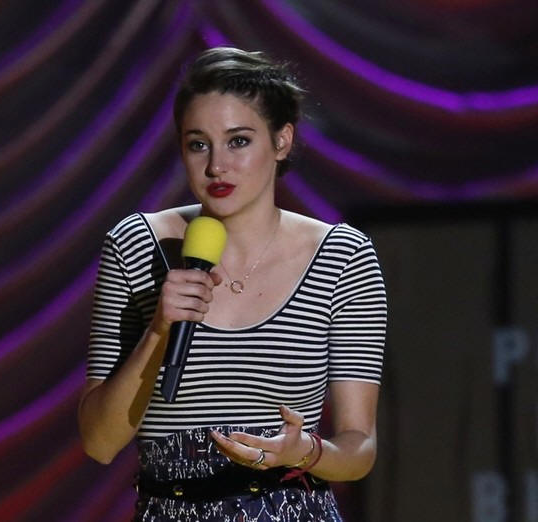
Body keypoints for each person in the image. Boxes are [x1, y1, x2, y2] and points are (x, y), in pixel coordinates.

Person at [78, 47, 387, 522]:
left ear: (281, 141)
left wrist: (303, 452)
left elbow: (359, 448)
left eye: (238, 141)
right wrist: (160, 329)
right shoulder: (137, 245)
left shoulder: (342, 256)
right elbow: (100, 442)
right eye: (198, 144)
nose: (216, 166)